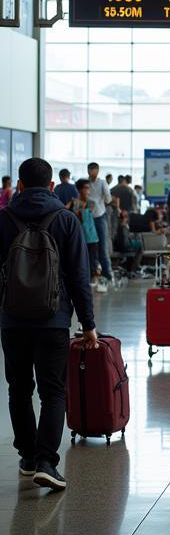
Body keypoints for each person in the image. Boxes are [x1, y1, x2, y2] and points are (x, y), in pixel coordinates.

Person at [0, 157, 98, 491]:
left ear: (20, 184)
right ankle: (46, 461)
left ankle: (27, 457)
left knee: (18, 389)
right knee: (53, 390)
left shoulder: (4, 218)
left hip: (12, 319)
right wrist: (88, 323)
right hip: (53, 319)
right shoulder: (66, 219)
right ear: (53, 185)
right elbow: (79, 277)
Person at [85, 162, 115, 285]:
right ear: (88, 171)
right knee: (90, 247)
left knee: (102, 247)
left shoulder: (102, 183)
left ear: (97, 171)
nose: (92, 173)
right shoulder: (85, 183)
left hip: (100, 216)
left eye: (94, 170)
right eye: (90, 171)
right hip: (88, 217)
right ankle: (92, 274)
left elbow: (108, 199)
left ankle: (107, 275)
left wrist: (105, 194)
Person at [70, 178, 102, 290]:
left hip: (91, 237)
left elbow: (85, 211)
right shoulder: (73, 203)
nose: (88, 191)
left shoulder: (91, 203)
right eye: (86, 188)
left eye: (89, 188)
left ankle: (93, 279)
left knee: (92, 260)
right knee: (81, 260)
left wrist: (78, 205)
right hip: (79, 237)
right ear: (80, 190)